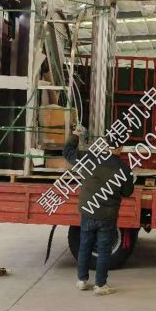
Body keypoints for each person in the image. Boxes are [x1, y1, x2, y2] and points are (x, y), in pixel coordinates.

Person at [63, 127, 134, 296]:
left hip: (88, 212)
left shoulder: (90, 158)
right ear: (120, 148)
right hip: (107, 216)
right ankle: (100, 285)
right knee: (104, 250)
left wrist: (75, 136)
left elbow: (67, 152)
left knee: (85, 245)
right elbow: (127, 192)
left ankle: (82, 280)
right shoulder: (123, 168)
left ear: (106, 145)